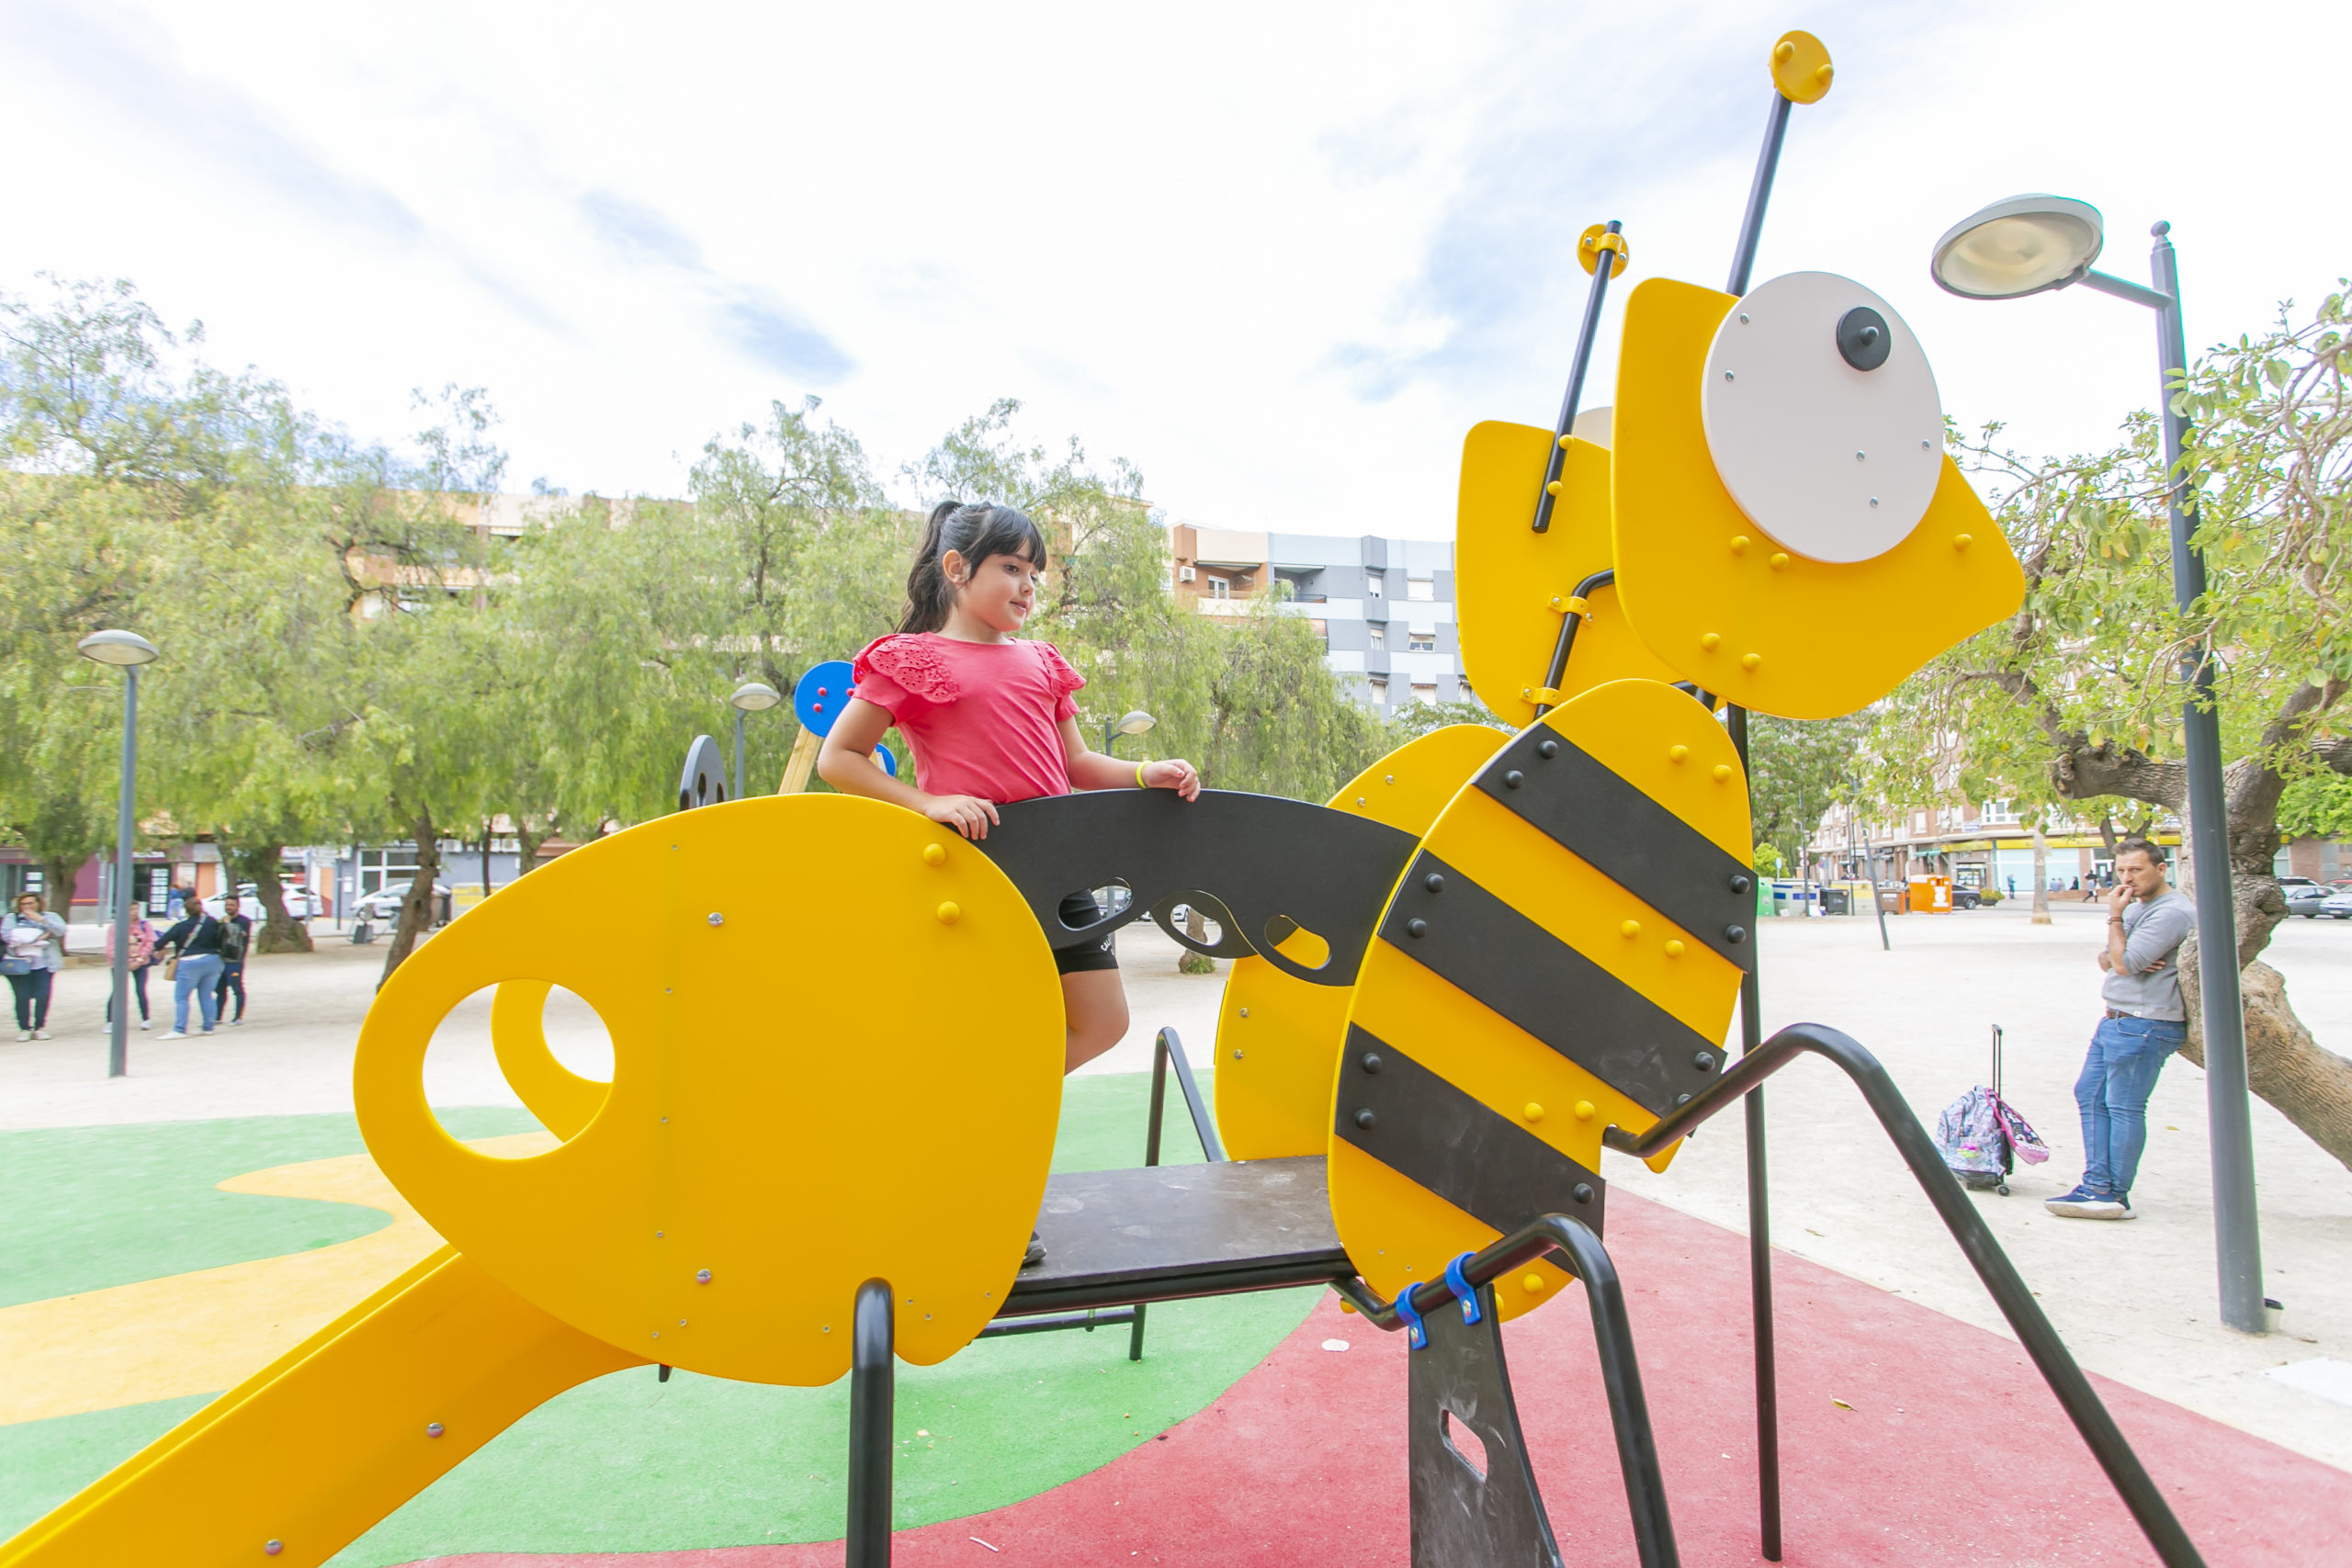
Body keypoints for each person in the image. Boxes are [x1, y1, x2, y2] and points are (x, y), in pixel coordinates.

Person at [819, 503, 1203, 1263]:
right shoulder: (912, 658)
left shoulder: (1041, 662)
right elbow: (840, 759)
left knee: (1102, 1020)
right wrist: (930, 803)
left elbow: (1076, 769)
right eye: (1012, 568)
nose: (1027, 586)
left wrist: (1143, 773)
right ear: (958, 569)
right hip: (979, 872)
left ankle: (965, 1106)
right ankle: (987, 1196)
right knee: (995, 1026)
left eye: (1034, 573)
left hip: (1059, 872)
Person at [2048, 838, 2194, 1220]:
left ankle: (2113, 1193)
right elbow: (2108, 959)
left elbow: (2124, 963)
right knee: (2089, 1094)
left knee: (2124, 1106)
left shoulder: (2171, 912)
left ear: (2161, 869)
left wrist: (2115, 922)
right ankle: (2096, 1185)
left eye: (2137, 870)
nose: (2127, 879)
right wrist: (2118, 956)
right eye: (2122, 870)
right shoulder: (2138, 907)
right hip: (2117, 1017)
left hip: (2144, 1022)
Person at [153, 897, 233, 1037]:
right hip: (213, 960)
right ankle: (208, 1027)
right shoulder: (211, 922)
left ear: (186, 910)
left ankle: (179, 1029)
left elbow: (159, 943)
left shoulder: (181, 926)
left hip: (189, 962)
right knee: (206, 995)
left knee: (182, 997)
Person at [6, 892, 70, 1041]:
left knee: (43, 995)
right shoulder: (12, 918)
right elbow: (6, 935)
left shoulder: (50, 916)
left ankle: (39, 1027)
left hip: (44, 965)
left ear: (38, 903)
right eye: (24, 904)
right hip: (20, 964)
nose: (27, 907)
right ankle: (24, 1028)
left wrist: (42, 920)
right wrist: (32, 938)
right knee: (22, 997)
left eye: (31, 903)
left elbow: (61, 930)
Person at [100, 910, 162, 1031]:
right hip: (120, 963)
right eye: (131, 910)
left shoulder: (144, 925)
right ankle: (110, 1021)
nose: (134, 912)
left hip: (140, 962)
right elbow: (111, 948)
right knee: (117, 991)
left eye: (136, 909)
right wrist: (127, 962)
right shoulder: (115, 928)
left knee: (140, 990)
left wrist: (139, 959)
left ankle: (146, 1018)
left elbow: (150, 943)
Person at [211, 897, 254, 1026]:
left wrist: (226, 924)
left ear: (238, 906)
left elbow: (236, 936)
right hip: (221, 960)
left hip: (235, 960)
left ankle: (238, 1017)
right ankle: (217, 1016)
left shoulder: (244, 922)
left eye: (231, 905)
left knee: (237, 989)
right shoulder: (221, 921)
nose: (229, 907)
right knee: (220, 990)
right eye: (227, 905)